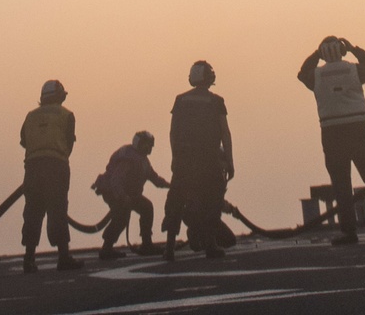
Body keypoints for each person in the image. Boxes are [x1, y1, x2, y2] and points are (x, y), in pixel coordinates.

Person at [298, 35, 365, 244]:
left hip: (332, 131)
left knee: (341, 183)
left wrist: (316, 54)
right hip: (358, 127)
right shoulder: (354, 70)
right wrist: (353, 48)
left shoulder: (316, 75)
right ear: (341, 51)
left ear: (322, 53)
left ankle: (349, 232)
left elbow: (301, 74)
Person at [163, 61, 234, 261]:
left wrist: (175, 157)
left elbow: (173, 132)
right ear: (210, 78)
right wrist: (229, 160)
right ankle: (211, 245)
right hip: (208, 158)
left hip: (184, 158)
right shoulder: (216, 101)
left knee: (175, 201)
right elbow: (224, 132)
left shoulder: (180, 100)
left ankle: (169, 248)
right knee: (211, 200)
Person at [20, 79, 81, 274]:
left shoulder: (30, 116)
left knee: (33, 212)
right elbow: (69, 143)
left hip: (32, 167)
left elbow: (24, 141)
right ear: (60, 96)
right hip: (56, 166)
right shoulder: (67, 115)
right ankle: (63, 257)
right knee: (58, 210)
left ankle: (29, 259)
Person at [95, 130, 170, 260]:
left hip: (127, 193)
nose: (149, 148)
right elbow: (116, 181)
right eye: (147, 144)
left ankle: (146, 244)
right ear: (139, 143)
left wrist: (171, 186)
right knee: (122, 216)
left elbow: (155, 179)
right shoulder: (128, 159)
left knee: (147, 208)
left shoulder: (143, 161)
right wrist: (123, 197)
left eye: (150, 145)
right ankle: (106, 248)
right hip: (113, 192)